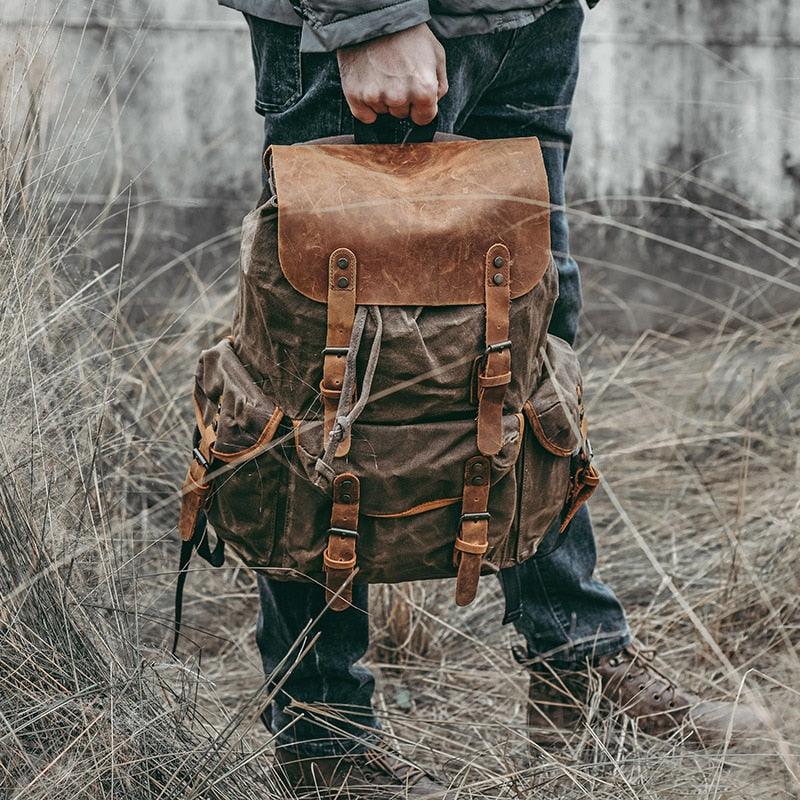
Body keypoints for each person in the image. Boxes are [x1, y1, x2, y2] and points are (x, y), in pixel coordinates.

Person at [217, 0, 760, 794]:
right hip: (382, 32)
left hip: (528, 21)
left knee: (533, 349)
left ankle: (578, 662)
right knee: (331, 371)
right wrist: (366, 18)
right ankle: (323, 739)